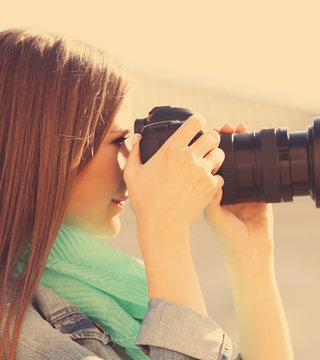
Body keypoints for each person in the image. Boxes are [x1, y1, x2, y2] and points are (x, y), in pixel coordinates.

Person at [0, 28, 294, 360]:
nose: (133, 164)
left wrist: (251, 254)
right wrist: (164, 230)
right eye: (118, 142)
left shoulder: (104, 290)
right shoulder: (11, 327)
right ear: (43, 153)